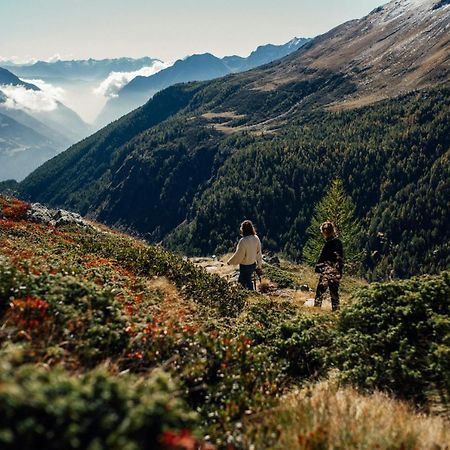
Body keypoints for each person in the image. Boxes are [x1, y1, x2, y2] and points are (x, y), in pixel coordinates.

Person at [314, 221, 344, 311]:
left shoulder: (328, 244)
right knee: (334, 293)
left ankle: (316, 310)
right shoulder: (338, 242)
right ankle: (336, 312)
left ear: (324, 231)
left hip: (326, 271)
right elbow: (340, 258)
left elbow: (322, 258)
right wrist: (339, 271)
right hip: (336, 271)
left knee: (320, 292)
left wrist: (318, 268)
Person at [227, 220, 263, 290]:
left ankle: (248, 295)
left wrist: (230, 262)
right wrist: (259, 266)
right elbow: (259, 253)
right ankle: (249, 294)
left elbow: (239, 255)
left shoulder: (243, 241)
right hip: (253, 264)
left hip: (245, 265)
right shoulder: (256, 238)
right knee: (247, 279)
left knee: (243, 282)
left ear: (243, 229)